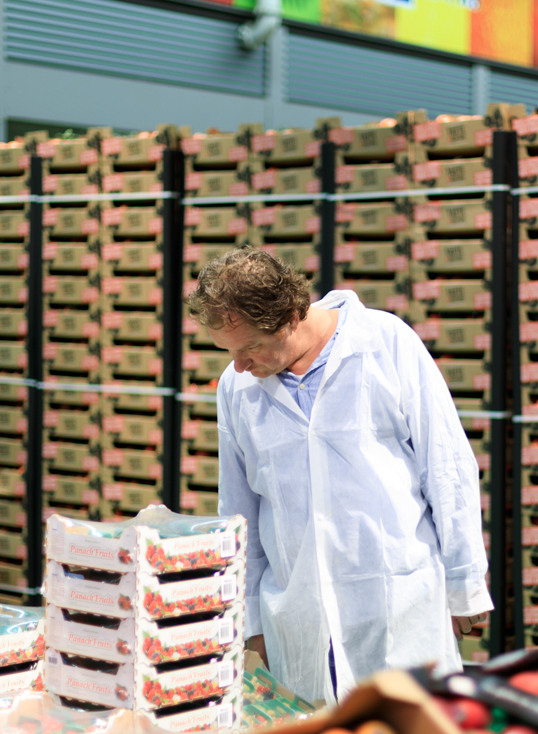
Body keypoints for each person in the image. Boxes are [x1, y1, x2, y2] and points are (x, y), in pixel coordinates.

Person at [187, 246, 492, 703]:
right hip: (298, 613)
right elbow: (238, 512)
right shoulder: (238, 388)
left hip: (398, 598)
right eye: (229, 352)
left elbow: (445, 464)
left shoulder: (385, 343)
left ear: (291, 316)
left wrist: (464, 582)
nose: (239, 365)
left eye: (250, 347)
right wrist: (248, 620)